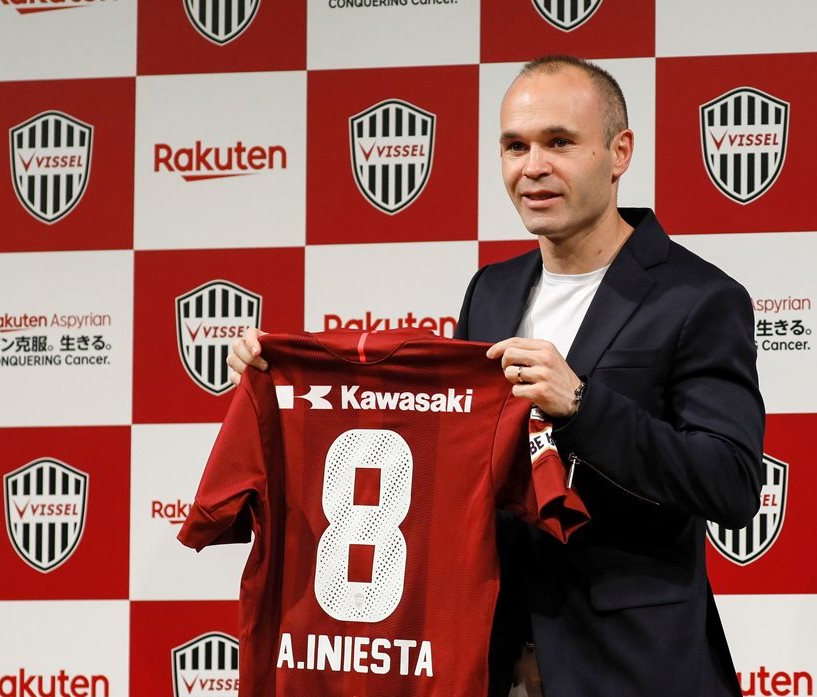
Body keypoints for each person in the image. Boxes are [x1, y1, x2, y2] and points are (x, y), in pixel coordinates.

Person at [228, 55, 765, 697]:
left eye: (559, 143)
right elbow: (445, 452)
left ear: (619, 153)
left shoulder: (700, 297)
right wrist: (288, 384)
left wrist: (583, 408)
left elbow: (731, 484)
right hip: (488, 654)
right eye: (515, 146)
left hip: (631, 665)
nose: (532, 167)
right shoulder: (491, 289)